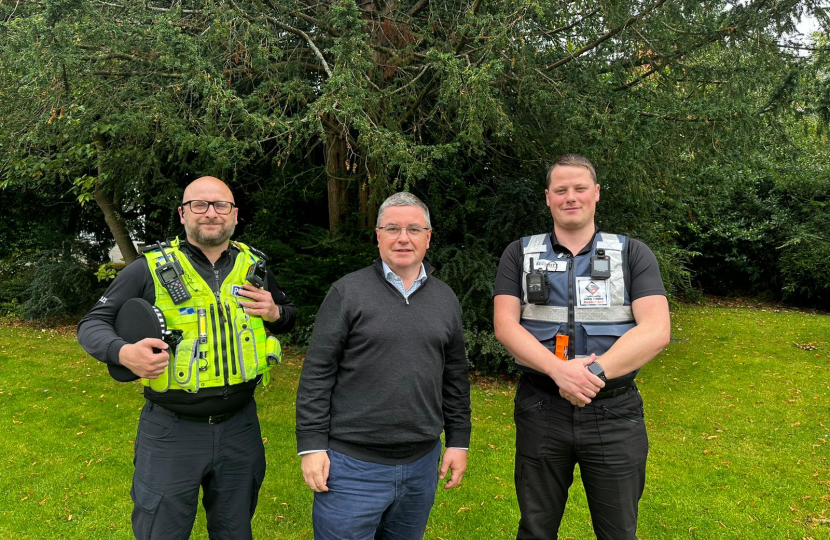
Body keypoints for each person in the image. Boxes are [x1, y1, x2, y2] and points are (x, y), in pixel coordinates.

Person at [77, 176, 297, 540]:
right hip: (171, 431)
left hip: (240, 427)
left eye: (221, 205)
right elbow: (92, 324)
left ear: (234, 215)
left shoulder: (254, 267)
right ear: (183, 214)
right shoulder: (148, 268)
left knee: (235, 531)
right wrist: (123, 352)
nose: (211, 213)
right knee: (161, 531)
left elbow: (288, 315)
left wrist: (276, 313)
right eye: (200, 205)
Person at [493, 154, 671, 540]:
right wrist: (559, 371)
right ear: (547, 197)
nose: (570, 197)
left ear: (596, 194)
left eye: (579, 188)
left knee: (619, 532)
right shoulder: (519, 253)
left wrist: (590, 374)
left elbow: (657, 329)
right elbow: (505, 325)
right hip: (541, 409)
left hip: (613, 411)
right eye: (560, 190)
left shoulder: (631, 253)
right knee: (536, 530)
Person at [295, 192, 471, 540]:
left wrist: (458, 441)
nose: (403, 238)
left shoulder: (445, 299)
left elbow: (455, 377)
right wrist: (312, 446)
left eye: (413, 229)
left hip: (421, 464)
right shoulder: (347, 293)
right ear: (378, 235)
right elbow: (317, 373)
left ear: (428, 237)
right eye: (392, 228)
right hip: (350, 467)